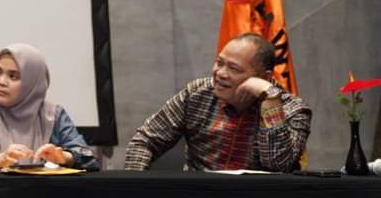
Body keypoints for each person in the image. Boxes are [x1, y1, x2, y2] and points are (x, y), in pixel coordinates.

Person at [123, 32, 310, 171]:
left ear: (265, 77)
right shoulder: (197, 94)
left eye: (234, 69)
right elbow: (145, 141)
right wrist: (133, 190)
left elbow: (278, 166)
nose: (220, 74)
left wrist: (270, 100)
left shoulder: (293, 110)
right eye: (219, 63)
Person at [0, 43, 98, 171]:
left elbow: (91, 160)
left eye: (13, 76)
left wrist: (64, 157)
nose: (1, 82)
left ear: (32, 82)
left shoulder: (52, 114)